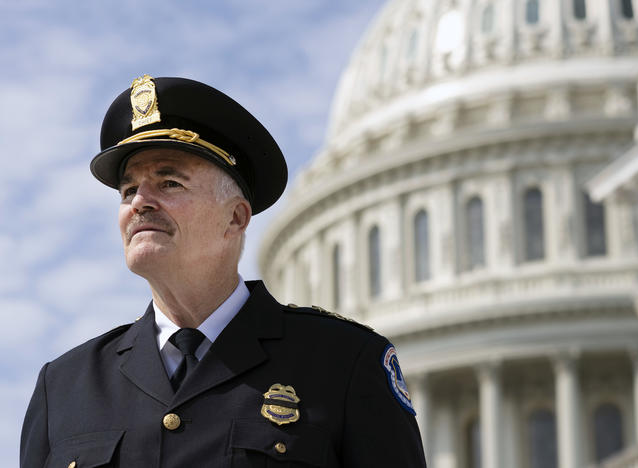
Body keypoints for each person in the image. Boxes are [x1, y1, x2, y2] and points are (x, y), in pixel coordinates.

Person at [20, 76, 426, 468]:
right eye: (128, 190)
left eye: (169, 183)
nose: (140, 202)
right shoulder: (63, 388)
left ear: (235, 217)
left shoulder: (343, 363)